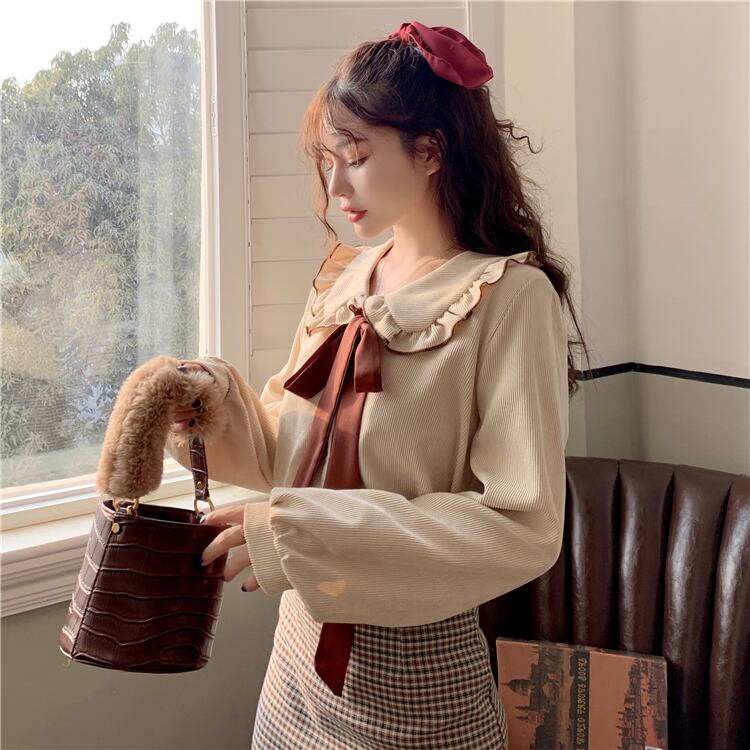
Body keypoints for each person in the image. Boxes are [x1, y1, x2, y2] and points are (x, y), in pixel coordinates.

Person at [167, 20, 591, 750]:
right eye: (328, 161)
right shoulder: (346, 279)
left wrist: (298, 533)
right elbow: (288, 453)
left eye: (357, 158)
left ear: (431, 150)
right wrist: (208, 406)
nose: (335, 187)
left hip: (417, 684)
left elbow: (521, 526)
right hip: (293, 674)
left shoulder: (510, 299)